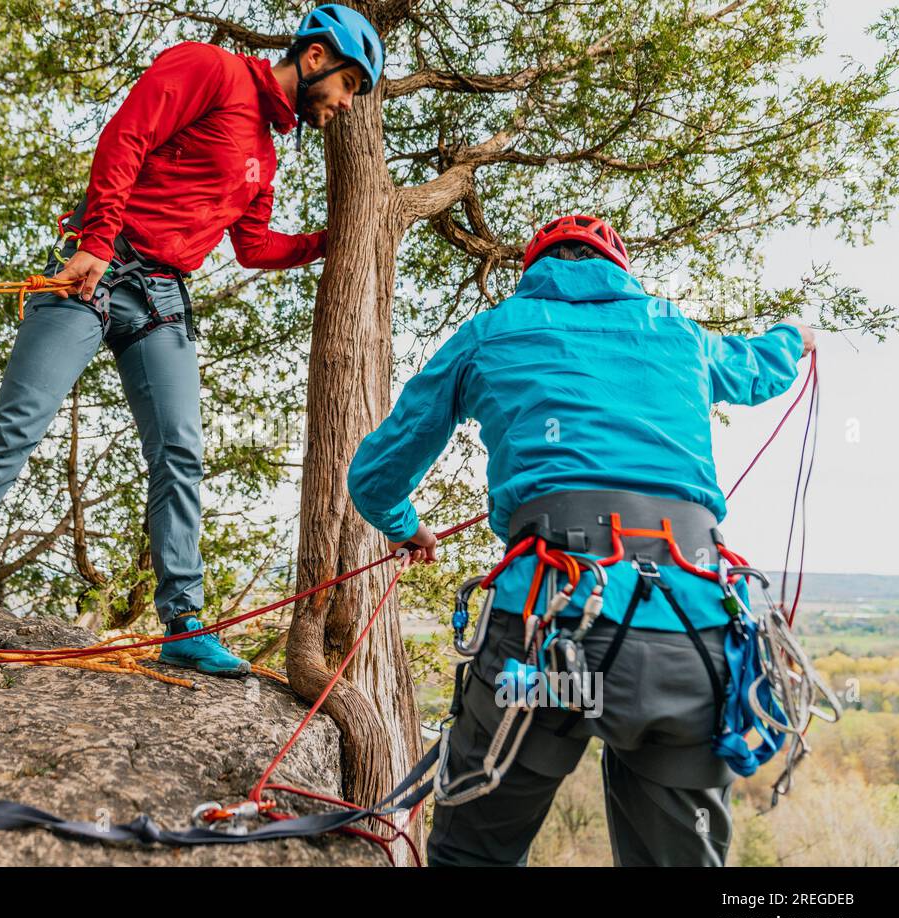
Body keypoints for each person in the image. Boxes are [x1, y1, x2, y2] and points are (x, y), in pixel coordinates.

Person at [0, 6, 385, 678]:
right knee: (15, 428)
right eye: (351, 84)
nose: (346, 102)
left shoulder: (265, 155)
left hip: (163, 300)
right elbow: (127, 135)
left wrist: (334, 242)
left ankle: (183, 623)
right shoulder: (209, 68)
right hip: (97, 271)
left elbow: (254, 247)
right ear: (318, 58)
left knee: (181, 451)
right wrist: (94, 241)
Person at [347, 214, 816, 865]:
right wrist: (796, 334)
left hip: (547, 619)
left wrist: (409, 527)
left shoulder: (492, 331)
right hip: (690, 625)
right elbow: (762, 366)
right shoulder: (677, 331)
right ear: (621, 272)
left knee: (472, 854)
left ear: (534, 271)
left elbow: (374, 477)